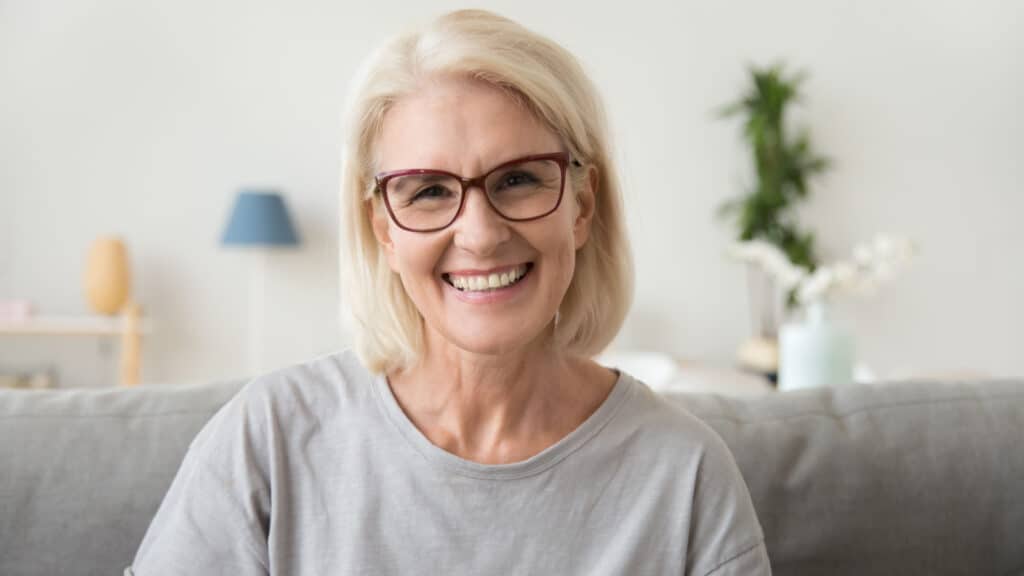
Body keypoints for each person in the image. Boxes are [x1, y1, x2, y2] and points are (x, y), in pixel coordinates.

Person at [129, 9, 770, 575]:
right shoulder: (268, 438)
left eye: (518, 179)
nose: (482, 234)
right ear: (383, 227)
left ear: (581, 207)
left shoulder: (684, 475)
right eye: (429, 191)